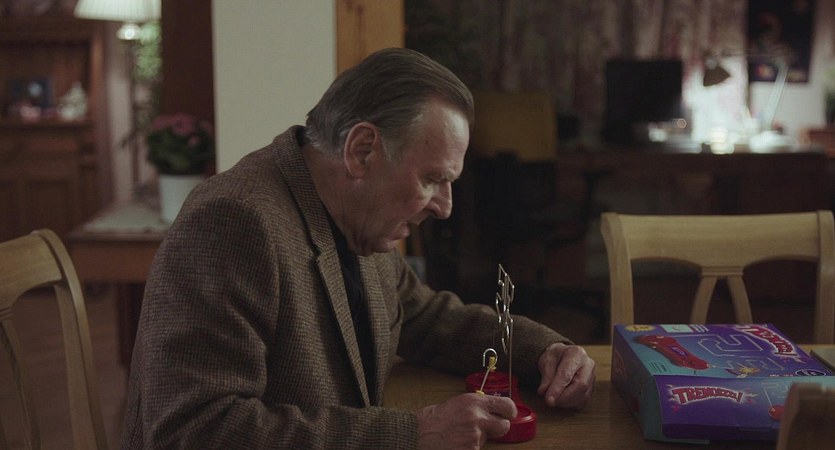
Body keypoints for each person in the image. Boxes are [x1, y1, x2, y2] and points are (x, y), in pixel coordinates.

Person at [121, 47, 595, 449]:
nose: (445, 207)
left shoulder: (356, 214)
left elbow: (427, 319)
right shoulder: (233, 222)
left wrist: (543, 351)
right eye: (432, 179)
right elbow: (193, 430)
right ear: (362, 150)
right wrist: (411, 434)